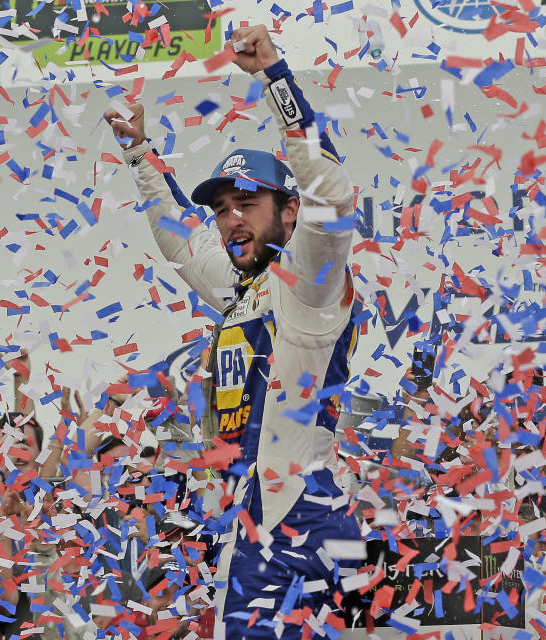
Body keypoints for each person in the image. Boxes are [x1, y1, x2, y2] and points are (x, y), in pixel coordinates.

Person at [105, 24, 361, 638]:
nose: (229, 220)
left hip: (299, 521)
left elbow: (331, 190)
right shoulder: (243, 284)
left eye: (246, 203)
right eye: (221, 209)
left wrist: (276, 79)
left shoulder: (312, 282)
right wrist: (138, 152)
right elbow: (178, 235)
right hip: (259, 513)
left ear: (289, 211)